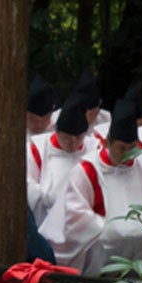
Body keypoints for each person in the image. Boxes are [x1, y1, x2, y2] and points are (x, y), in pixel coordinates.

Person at [52, 99, 142, 274]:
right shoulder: (87, 169)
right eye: (121, 148)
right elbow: (76, 215)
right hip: (104, 244)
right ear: (107, 143)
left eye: (132, 147)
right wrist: (107, 228)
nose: (128, 154)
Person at [29, 98, 91, 229]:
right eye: (67, 138)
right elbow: (28, 184)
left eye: (79, 138)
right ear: (56, 131)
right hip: (46, 219)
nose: (72, 143)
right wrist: (50, 196)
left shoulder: (93, 149)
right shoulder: (38, 148)